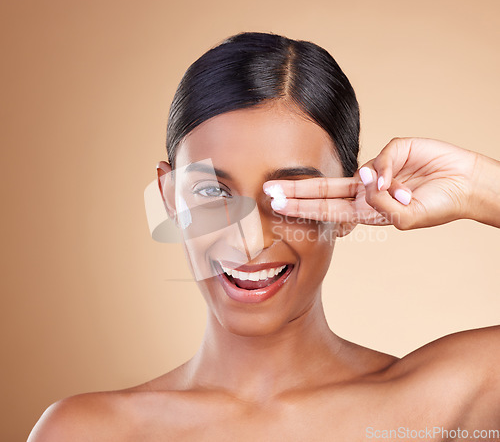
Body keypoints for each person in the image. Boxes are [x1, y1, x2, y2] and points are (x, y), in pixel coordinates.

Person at [28, 31, 500, 441]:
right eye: (213, 191)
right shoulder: (85, 432)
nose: (250, 239)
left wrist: (480, 184)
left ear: (350, 203)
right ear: (170, 200)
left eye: (291, 195)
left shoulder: (443, 405)